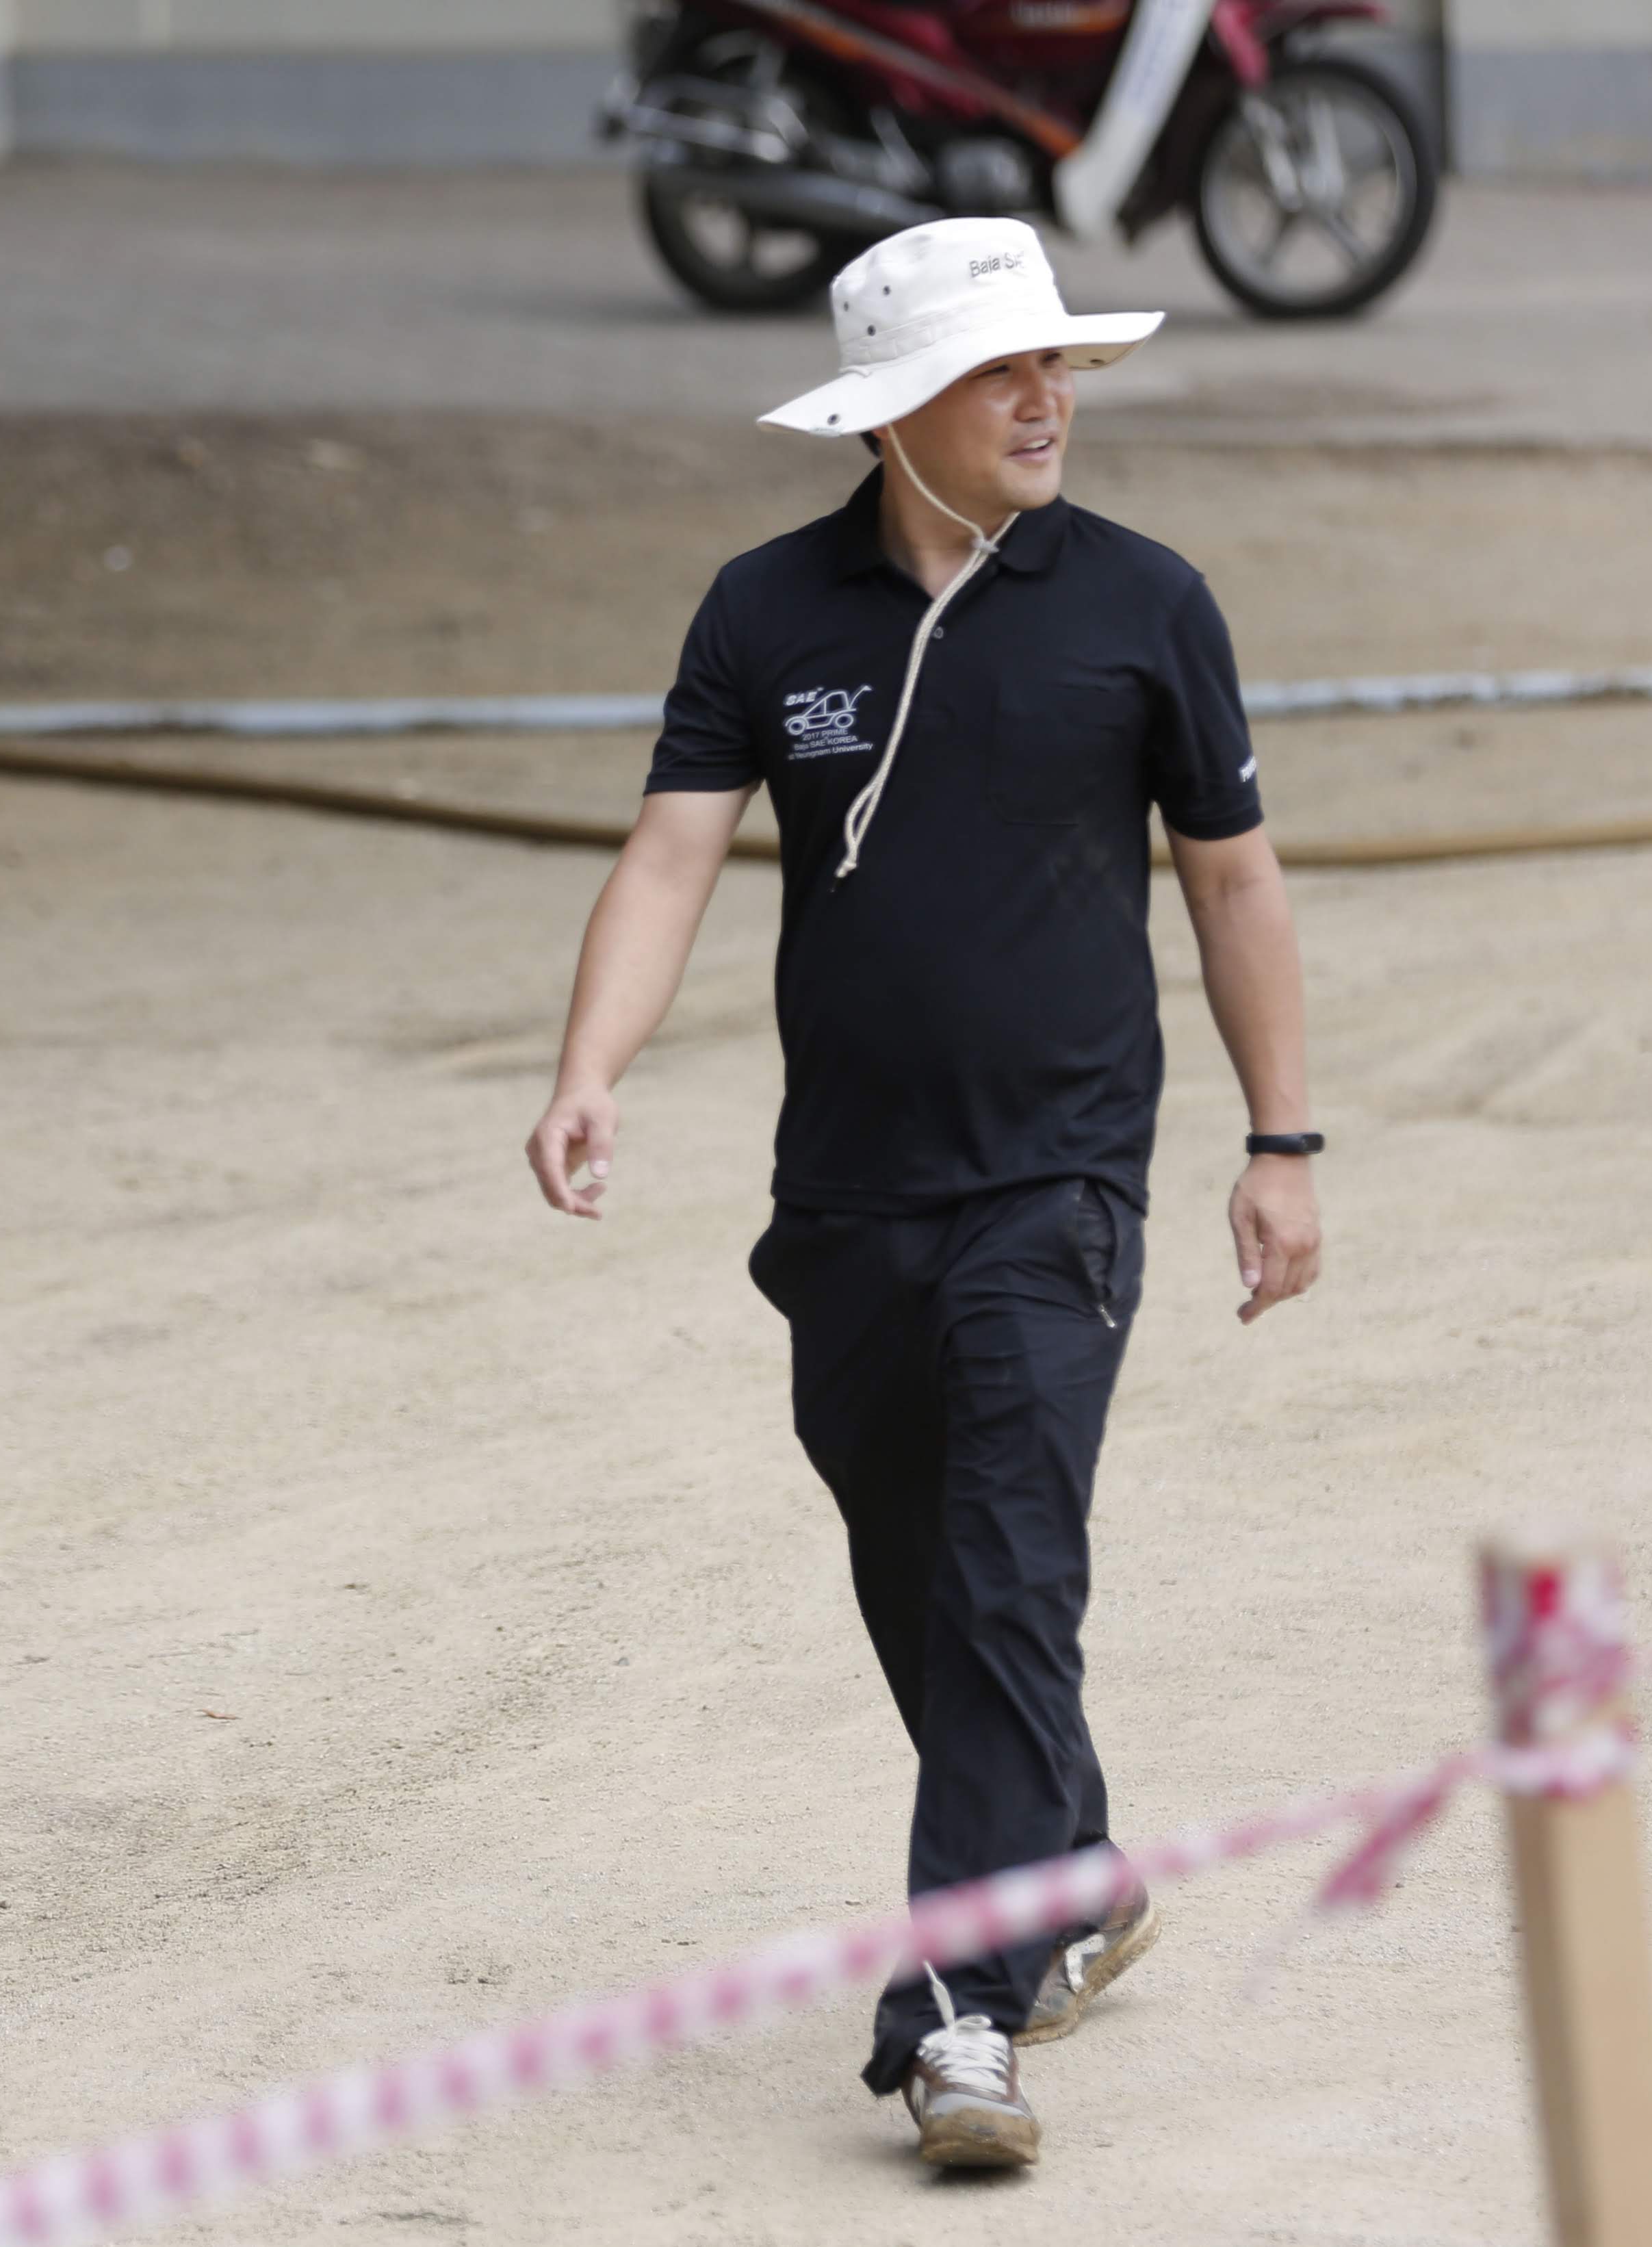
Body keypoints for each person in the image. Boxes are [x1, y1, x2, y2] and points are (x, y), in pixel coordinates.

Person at [521, 218, 1321, 2170]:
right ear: (894, 416)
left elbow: (1232, 878)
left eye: (1058, 367)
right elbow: (667, 854)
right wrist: (590, 1067)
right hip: (850, 1199)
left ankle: (955, 2012)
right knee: (921, 1569)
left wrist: (1280, 1138)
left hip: (1060, 1184)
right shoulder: (765, 615)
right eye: (1002, 374)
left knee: (1005, 1572)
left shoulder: (1145, 605)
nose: (1050, 400)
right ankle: (1079, 1867)